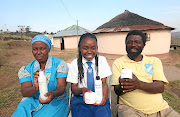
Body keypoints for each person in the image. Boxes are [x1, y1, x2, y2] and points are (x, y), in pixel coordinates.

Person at [110, 30, 180, 117]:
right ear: (125, 44)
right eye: (130, 42)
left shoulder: (154, 61)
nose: (133, 45)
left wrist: (138, 84)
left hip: (161, 109)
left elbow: (160, 87)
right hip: (131, 110)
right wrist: (123, 86)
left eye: (137, 42)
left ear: (144, 45)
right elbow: (117, 91)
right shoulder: (118, 63)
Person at [12, 35, 69, 117]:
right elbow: (25, 91)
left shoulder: (59, 65)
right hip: (33, 100)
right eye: (35, 49)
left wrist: (53, 94)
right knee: (20, 112)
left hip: (56, 100)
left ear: (49, 49)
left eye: (42, 48)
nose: (38, 52)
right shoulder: (27, 69)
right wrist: (35, 88)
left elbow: (61, 87)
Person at [66, 33, 112, 117]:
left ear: (97, 48)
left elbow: (104, 83)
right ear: (80, 48)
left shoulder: (102, 61)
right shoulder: (75, 64)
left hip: (99, 96)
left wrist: (104, 97)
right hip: (80, 99)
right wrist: (82, 90)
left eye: (93, 48)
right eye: (85, 48)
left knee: (103, 113)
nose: (89, 51)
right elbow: (74, 88)